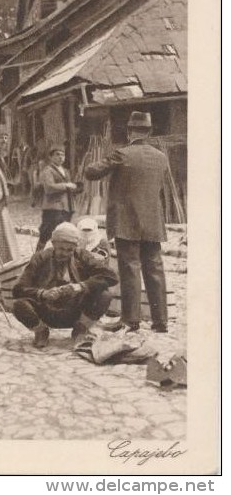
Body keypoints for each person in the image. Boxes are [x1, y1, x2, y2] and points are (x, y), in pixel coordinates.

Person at [84, 111, 171, 333]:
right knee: (155, 269)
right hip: (153, 221)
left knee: (130, 269)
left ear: (130, 131)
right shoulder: (161, 157)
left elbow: (91, 172)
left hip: (127, 222)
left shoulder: (122, 154)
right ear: (149, 132)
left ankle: (130, 320)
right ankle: (160, 321)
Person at [12, 223, 118, 348]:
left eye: (70, 250)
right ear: (53, 243)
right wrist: (42, 293)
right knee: (18, 305)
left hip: (75, 311)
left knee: (104, 295)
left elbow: (111, 277)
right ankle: (41, 331)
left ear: (75, 248)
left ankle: (81, 329)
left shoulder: (82, 256)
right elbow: (18, 289)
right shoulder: (40, 257)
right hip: (46, 311)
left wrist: (81, 286)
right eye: (61, 249)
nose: (65, 253)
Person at [35, 145, 77, 251]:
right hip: (52, 207)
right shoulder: (47, 171)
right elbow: (48, 188)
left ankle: (58, 256)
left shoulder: (65, 171)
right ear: (51, 157)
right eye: (57, 154)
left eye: (62, 155)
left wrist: (75, 187)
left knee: (63, 234)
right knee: (45, 234)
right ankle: (37, 257)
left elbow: (70, 187)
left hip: (67, 207)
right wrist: (66, 185)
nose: (60, 157)